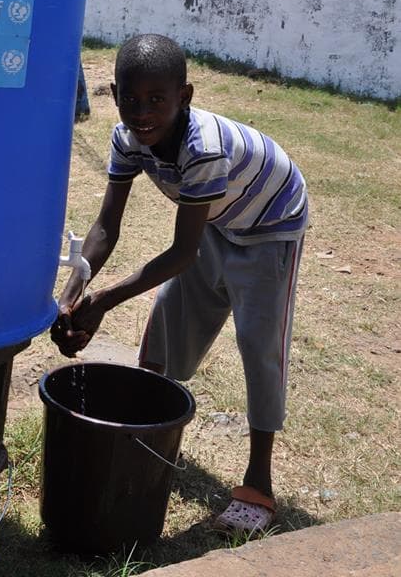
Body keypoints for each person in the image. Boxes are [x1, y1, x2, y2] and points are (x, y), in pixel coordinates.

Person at [51, 34, 307, 535]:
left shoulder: (202, 149)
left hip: (271, 222)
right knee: (170, 321)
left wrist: (102, 302)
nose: (142, 112)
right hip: (216, 217)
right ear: (114, 92)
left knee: (259, 345)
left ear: (184, 97)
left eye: (157, 100)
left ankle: (258, 482)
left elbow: (181, 253)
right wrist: (71, 294)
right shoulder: (127, 139)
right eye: (130, 98)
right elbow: (106, 228)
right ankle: (146, 433)